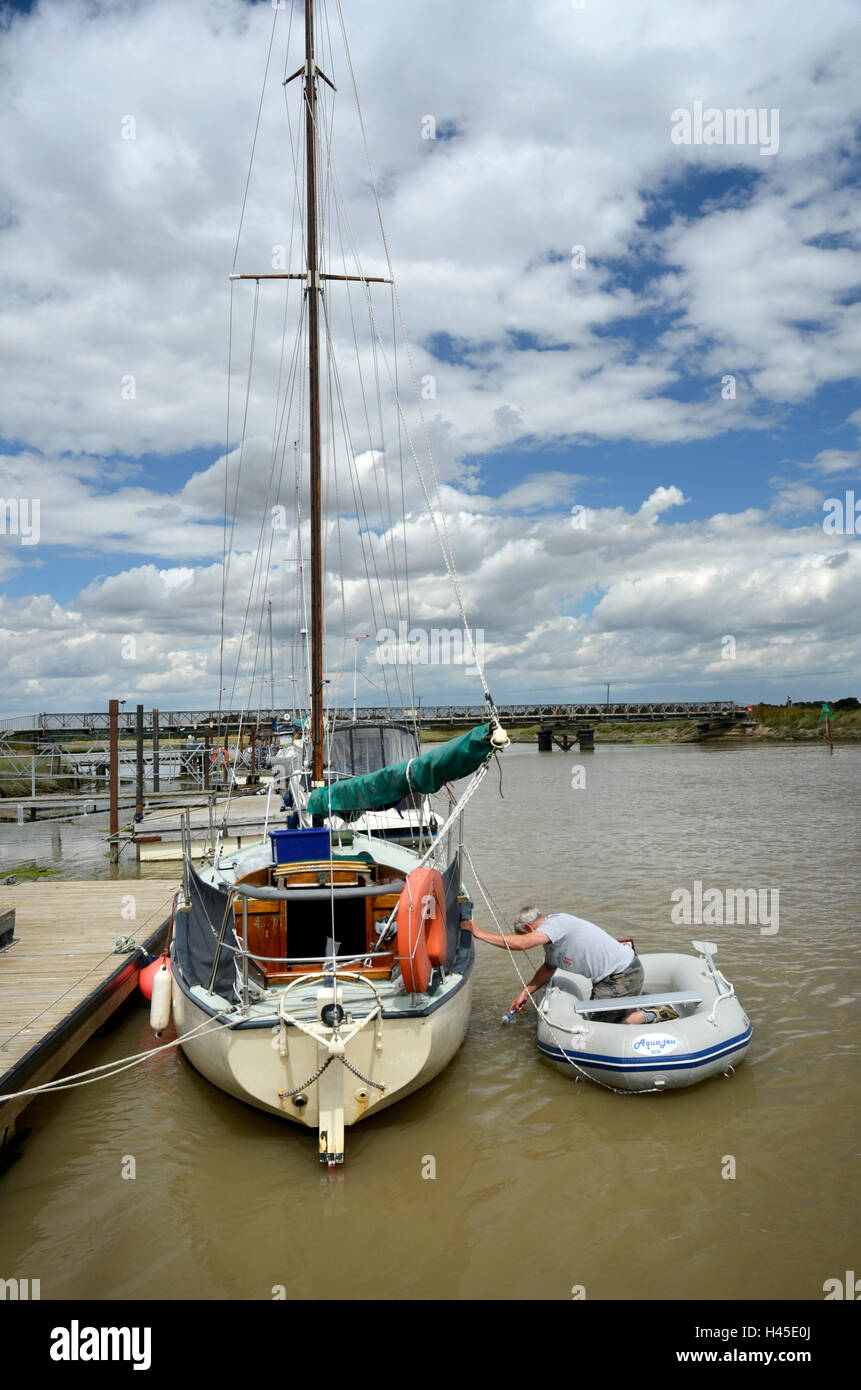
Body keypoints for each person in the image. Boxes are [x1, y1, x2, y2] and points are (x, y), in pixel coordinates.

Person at [464, 905, 664, 1024]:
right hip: (608, 980)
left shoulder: (557, 923)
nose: (533, 940)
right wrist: (525, 993)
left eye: (529, 934)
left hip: (622, 975)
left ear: (529, 927)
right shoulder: (552, 944)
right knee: (602, 1017)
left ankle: (654, 1013)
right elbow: (548, 969)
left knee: (597, 1027)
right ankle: (636, 1007)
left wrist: (480, 934)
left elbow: (523, 944)